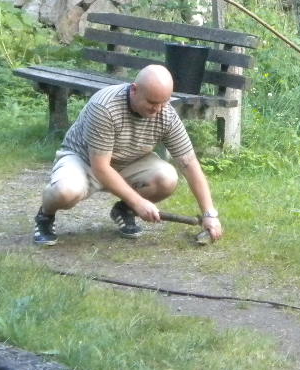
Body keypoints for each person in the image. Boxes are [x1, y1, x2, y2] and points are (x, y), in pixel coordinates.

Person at [33, 64, 223, 245]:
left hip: (128, 161)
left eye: (163, 102)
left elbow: (188, 162)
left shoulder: (166, 114)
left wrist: (209, 214)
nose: (157, 109)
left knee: (167, 178)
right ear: (134, 90)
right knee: (65, 192)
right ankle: (45, 215)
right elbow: (101, 168)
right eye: (151, 102)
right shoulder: (105, 107)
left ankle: (124, 210)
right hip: (85, 160)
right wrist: (139, 201)